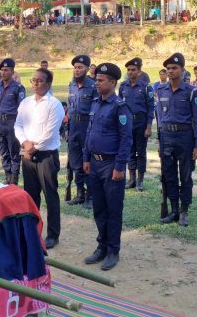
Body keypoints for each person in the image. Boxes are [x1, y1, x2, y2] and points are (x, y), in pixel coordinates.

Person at [82, 63, 132, 270]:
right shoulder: (95, 103)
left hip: (111, 165)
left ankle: (113, 250)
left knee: (113, 210)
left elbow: (126, 139)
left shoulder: (120, 107)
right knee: (99, 208)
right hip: (94, 163)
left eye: (101, 80)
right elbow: (89, 133)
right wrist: (86, 157)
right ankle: (101, 246)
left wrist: (120, 167)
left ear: (112, 83)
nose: (96, 83)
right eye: (96, 80)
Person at [14, 68, 65, 249]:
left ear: (48, 83)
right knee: (30, 196)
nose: (35, 84)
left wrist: (33, 147)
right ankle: (32, 232)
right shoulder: (26, 103)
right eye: (33, 80)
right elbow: (18, 125)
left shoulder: (54, 104)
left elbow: (50, 133)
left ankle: (52, 234)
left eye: (40, 81)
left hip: (46, 157)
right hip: (27, 156)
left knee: (50, 195)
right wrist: (25, 143)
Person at [155, 53, 197, 227]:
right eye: (168, 69)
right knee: (169, 176)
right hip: (167, 137)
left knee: (185, 176)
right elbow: (159, 118)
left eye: (174, 68)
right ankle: (173, 210)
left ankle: (184, 211)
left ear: (182, 70)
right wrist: (160, 142)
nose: (170, 71)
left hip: (185, 138)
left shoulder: (192, 92)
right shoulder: (160, 91)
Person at [67, 55, 98, 208]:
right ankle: (80, 193)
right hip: (73, 126)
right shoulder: (71, 85)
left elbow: (98, 109)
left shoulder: (93, 86)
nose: (77, 70)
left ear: (87, 68)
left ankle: (91, 195)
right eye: (75, 67)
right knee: (75, 162)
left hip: (87, 126)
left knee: (89, 162)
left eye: (80, 67)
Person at [119, 58, 154, 191]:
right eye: (128, 70)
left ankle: (140, 180)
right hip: (127, 123)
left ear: (139, 71)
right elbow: (120, 106)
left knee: (141, 152)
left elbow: (151, 107)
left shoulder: (146, 87)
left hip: (141, 122)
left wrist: (149, 126)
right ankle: (131, 179)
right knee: (129, 151)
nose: (130, 72)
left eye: (133, 70)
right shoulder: (123, 86)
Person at [0, 58, 26, 185]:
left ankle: (14, 178)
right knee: (3, 151)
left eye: (6, 70)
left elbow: (22, 107)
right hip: (0, 123)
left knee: (14, 152)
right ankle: (8, 176)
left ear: (12, 72)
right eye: (1, 70)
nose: (3, 72)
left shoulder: (18, 88)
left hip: (13, 123)